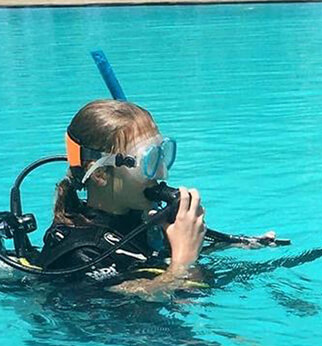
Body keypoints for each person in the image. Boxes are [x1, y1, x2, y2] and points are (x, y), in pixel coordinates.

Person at [38, 99, 210, 291]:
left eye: (161, 155)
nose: (161, 173)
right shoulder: (80, 255)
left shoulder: (143, 219)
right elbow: (124, 305)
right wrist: (183, 261)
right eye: (149, 161)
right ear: (99, 174)